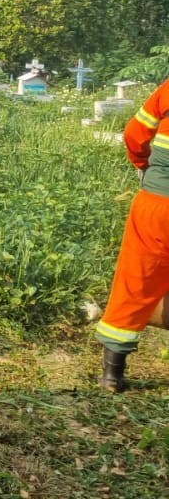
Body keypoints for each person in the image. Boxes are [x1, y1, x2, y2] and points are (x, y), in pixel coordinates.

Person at [95, 77, 169, 392]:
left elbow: (135, 135)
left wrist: (143, 164)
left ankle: (112, 375)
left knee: (135, 281)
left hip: (157, 203)